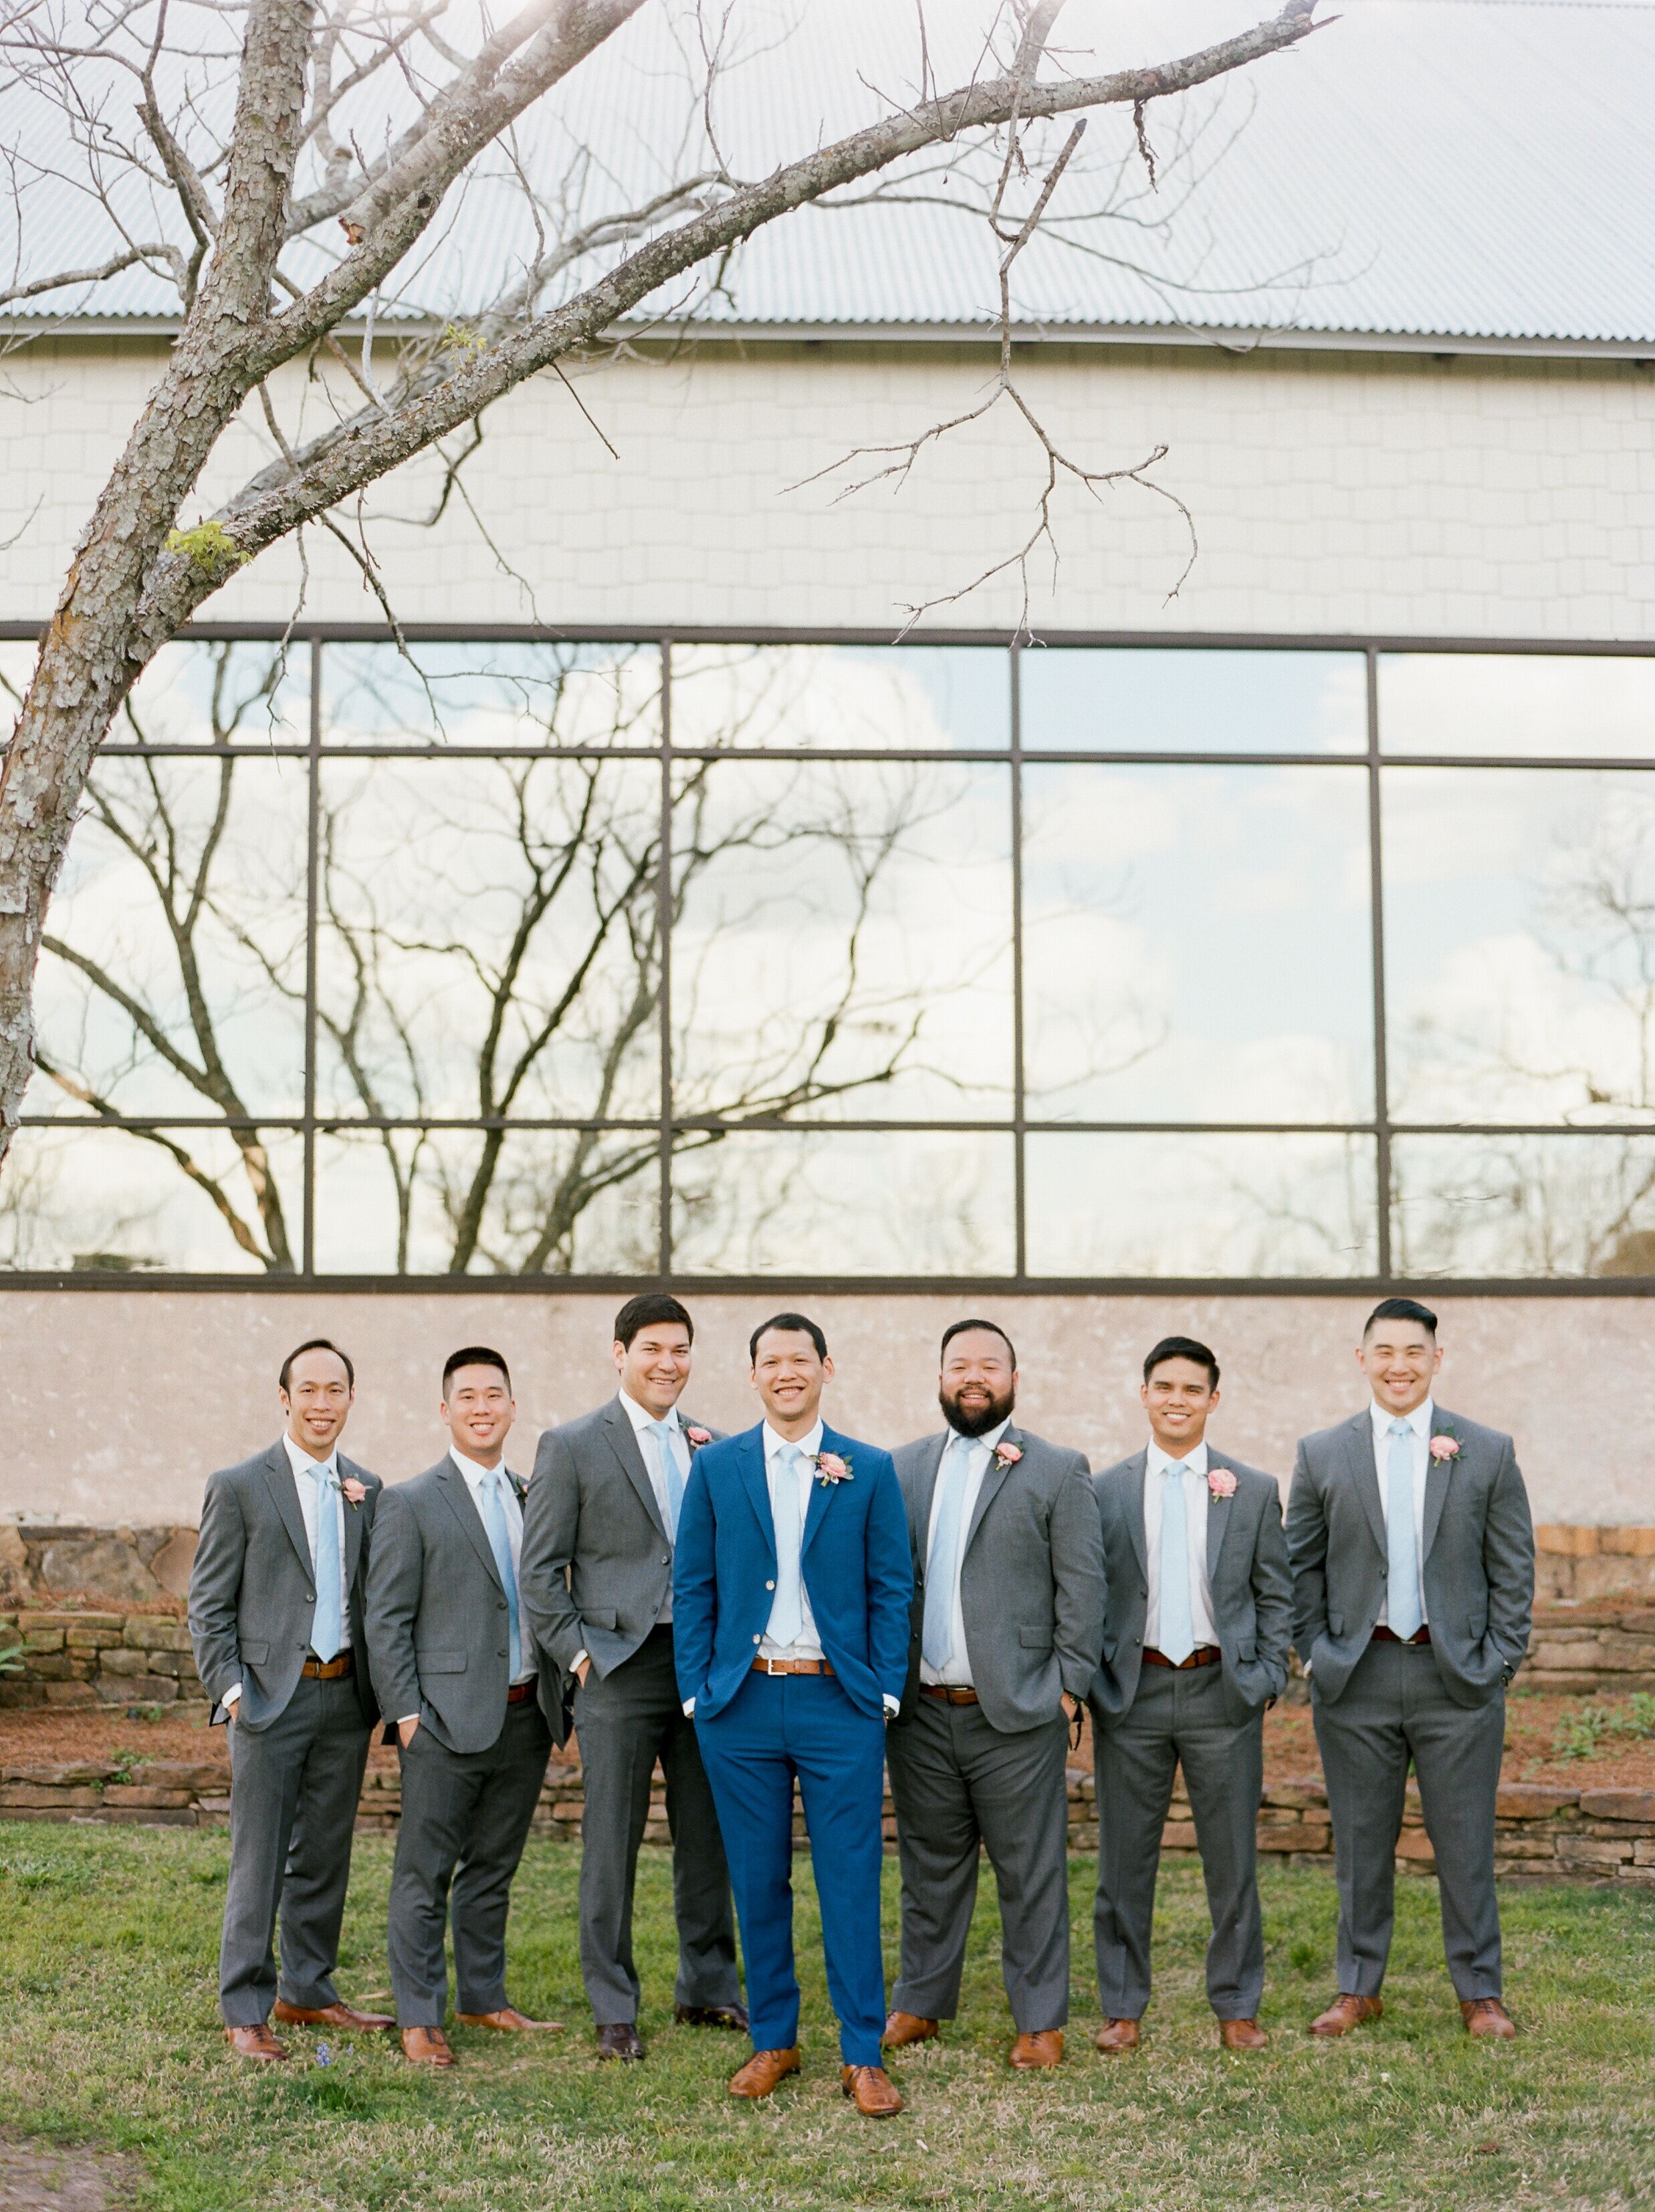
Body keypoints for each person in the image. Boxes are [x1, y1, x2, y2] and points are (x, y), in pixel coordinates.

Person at [673, 1312, 912, 2118]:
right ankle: (774, 2037)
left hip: (838, 1701)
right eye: (770, 1360)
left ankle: (862, 2052)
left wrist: (881, 1688)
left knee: (851, 1879)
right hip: (738, 1704)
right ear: (752, 1375)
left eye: (799, 1359)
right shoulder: (716, 1468)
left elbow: (892, 1584)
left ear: (825, 1367)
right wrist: (696, 1691)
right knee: (757, 1878)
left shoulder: (870, 1468)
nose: (786, 1372)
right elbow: (694, 1584)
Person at [1287, 1297, 1534, 2040]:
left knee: (1465, 1839)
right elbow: (1300, 1567)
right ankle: (1359, 1986)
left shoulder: (1485, 1449)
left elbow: (1513, 1568)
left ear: (1437, 1359)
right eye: (1385, 1350)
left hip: (1455, 1677)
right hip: (1355, 1678)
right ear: (1362, 1359)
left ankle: (1480, 1990)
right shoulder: (1322, 1452)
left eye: (1414, 1351)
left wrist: (1497, 1662)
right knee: (1362, 1842)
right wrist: (1319, 1655)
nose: (1400, 1364)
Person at [519, 1293, 744, 2063]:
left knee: (706, 1836)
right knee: (609, 1842)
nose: (667, 1363)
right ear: (620, 1354)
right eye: (652, 1348)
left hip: (703, 1663)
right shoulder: (573, 1444)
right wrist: (580, 1656)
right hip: (615, 1664)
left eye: (680, 1349)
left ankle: (708, 1987)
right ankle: (614, 2004)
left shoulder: (712, 1443)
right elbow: (540, 1571)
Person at [883, 1320, 1103, 2070]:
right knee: (929, 1866)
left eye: (989, 1365)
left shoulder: (1056, 1468)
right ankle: (920, 2000)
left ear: (1014, 1375)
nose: (972, 1376)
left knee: (1030, 1873)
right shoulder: (902, 1467)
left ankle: (1040, 2018)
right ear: (940, 1374)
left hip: (1016, 1710)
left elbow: (1084, 1587)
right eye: (958, 1364)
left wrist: (1069, 1689)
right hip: (920, 1712)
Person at [188, 1339, 393, 2060]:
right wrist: (233, 1690)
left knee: (326, 1853)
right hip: (269, 1701)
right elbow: (208, 1604)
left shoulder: (366, 1486)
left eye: (334, 1389)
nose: (321, 1403)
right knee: (260, 1855)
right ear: (284, 1398)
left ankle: (308, 1990)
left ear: (349, 1398)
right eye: (308, 1389)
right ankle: (246, 2006)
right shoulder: (241, 1484)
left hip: (344, 1699)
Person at [1089, 1336, 1292, 2054]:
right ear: (1143, 1393)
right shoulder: (1105, 1488)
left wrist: (1267, 1675)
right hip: (1132, 1692)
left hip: (1221, 1691)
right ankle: (1122, 2006)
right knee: (1123, 1860)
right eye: (1164, 1386)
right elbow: (1087, 1589)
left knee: (1231, 1860)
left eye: (1191, 1388)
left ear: (1214, 1398)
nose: (1177, 1399)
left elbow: (1277, 1592)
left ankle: (1237, 2004)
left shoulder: (1254, 1487)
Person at [365, 1347, 564, 2067]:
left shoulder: (533, 1493)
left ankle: (483, 1997)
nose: (483, 1408)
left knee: (493, 1866)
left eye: (495, 1395)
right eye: (468, 1397)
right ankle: (420, 2013)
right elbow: (384, 1620)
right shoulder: (410, 1501)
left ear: (513, 1407)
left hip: (524, 1712)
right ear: (446, 1411)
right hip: (442, 1720)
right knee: (425, 1872)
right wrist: (407, 1713)